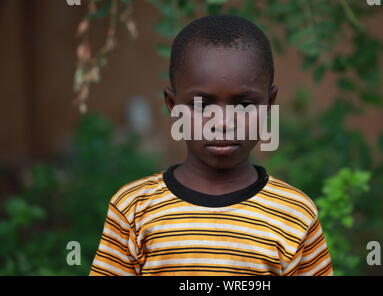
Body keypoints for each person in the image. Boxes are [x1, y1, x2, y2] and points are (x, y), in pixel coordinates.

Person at [89, 14, 333, 276]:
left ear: (269, 103)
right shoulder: (133, 209)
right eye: (201, 105)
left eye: (244, 105)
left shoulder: (294, 213)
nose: (223, 122)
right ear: (173, 105)